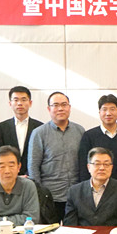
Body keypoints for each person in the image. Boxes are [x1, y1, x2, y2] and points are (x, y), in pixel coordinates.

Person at [28, 92, 85, 223]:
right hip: (50, 195)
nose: (60, 108)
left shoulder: (80, 131)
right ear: (49, 109)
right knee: (50, 233)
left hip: (76, 194)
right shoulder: (39, 133)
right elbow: (33, 166)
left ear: (69, 107)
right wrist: (39, 194)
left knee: (75, 232)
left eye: (64, 105)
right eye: (56, 105)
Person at [64, 147, 117, 227]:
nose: (102, 168)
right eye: (97, 164)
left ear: (111, 167)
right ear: (89, 167)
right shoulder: (74, 191)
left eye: (106, 164)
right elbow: (70, 225)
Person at [0, 145, 40, 229]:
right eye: (2, 166)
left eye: (11, 166)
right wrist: (16, 220)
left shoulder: (28, 185)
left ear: (18, 167)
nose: (7, 171)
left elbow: (32, 218)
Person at [78, 94, 117, 182]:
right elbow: (84, 166)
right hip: (97, 185)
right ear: (99, 113)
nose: (108, 113)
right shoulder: (89, 136)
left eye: (112, 109)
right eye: (104, 109)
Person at [0, 86, 43, 176]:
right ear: (10, 103)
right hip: (9, 176)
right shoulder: (2, 127)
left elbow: (41, 156)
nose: (20, 103)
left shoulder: (39, 127)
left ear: (30, 103)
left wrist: (28, 175)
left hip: (32, 177)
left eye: (24, 100)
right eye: (16, 100)